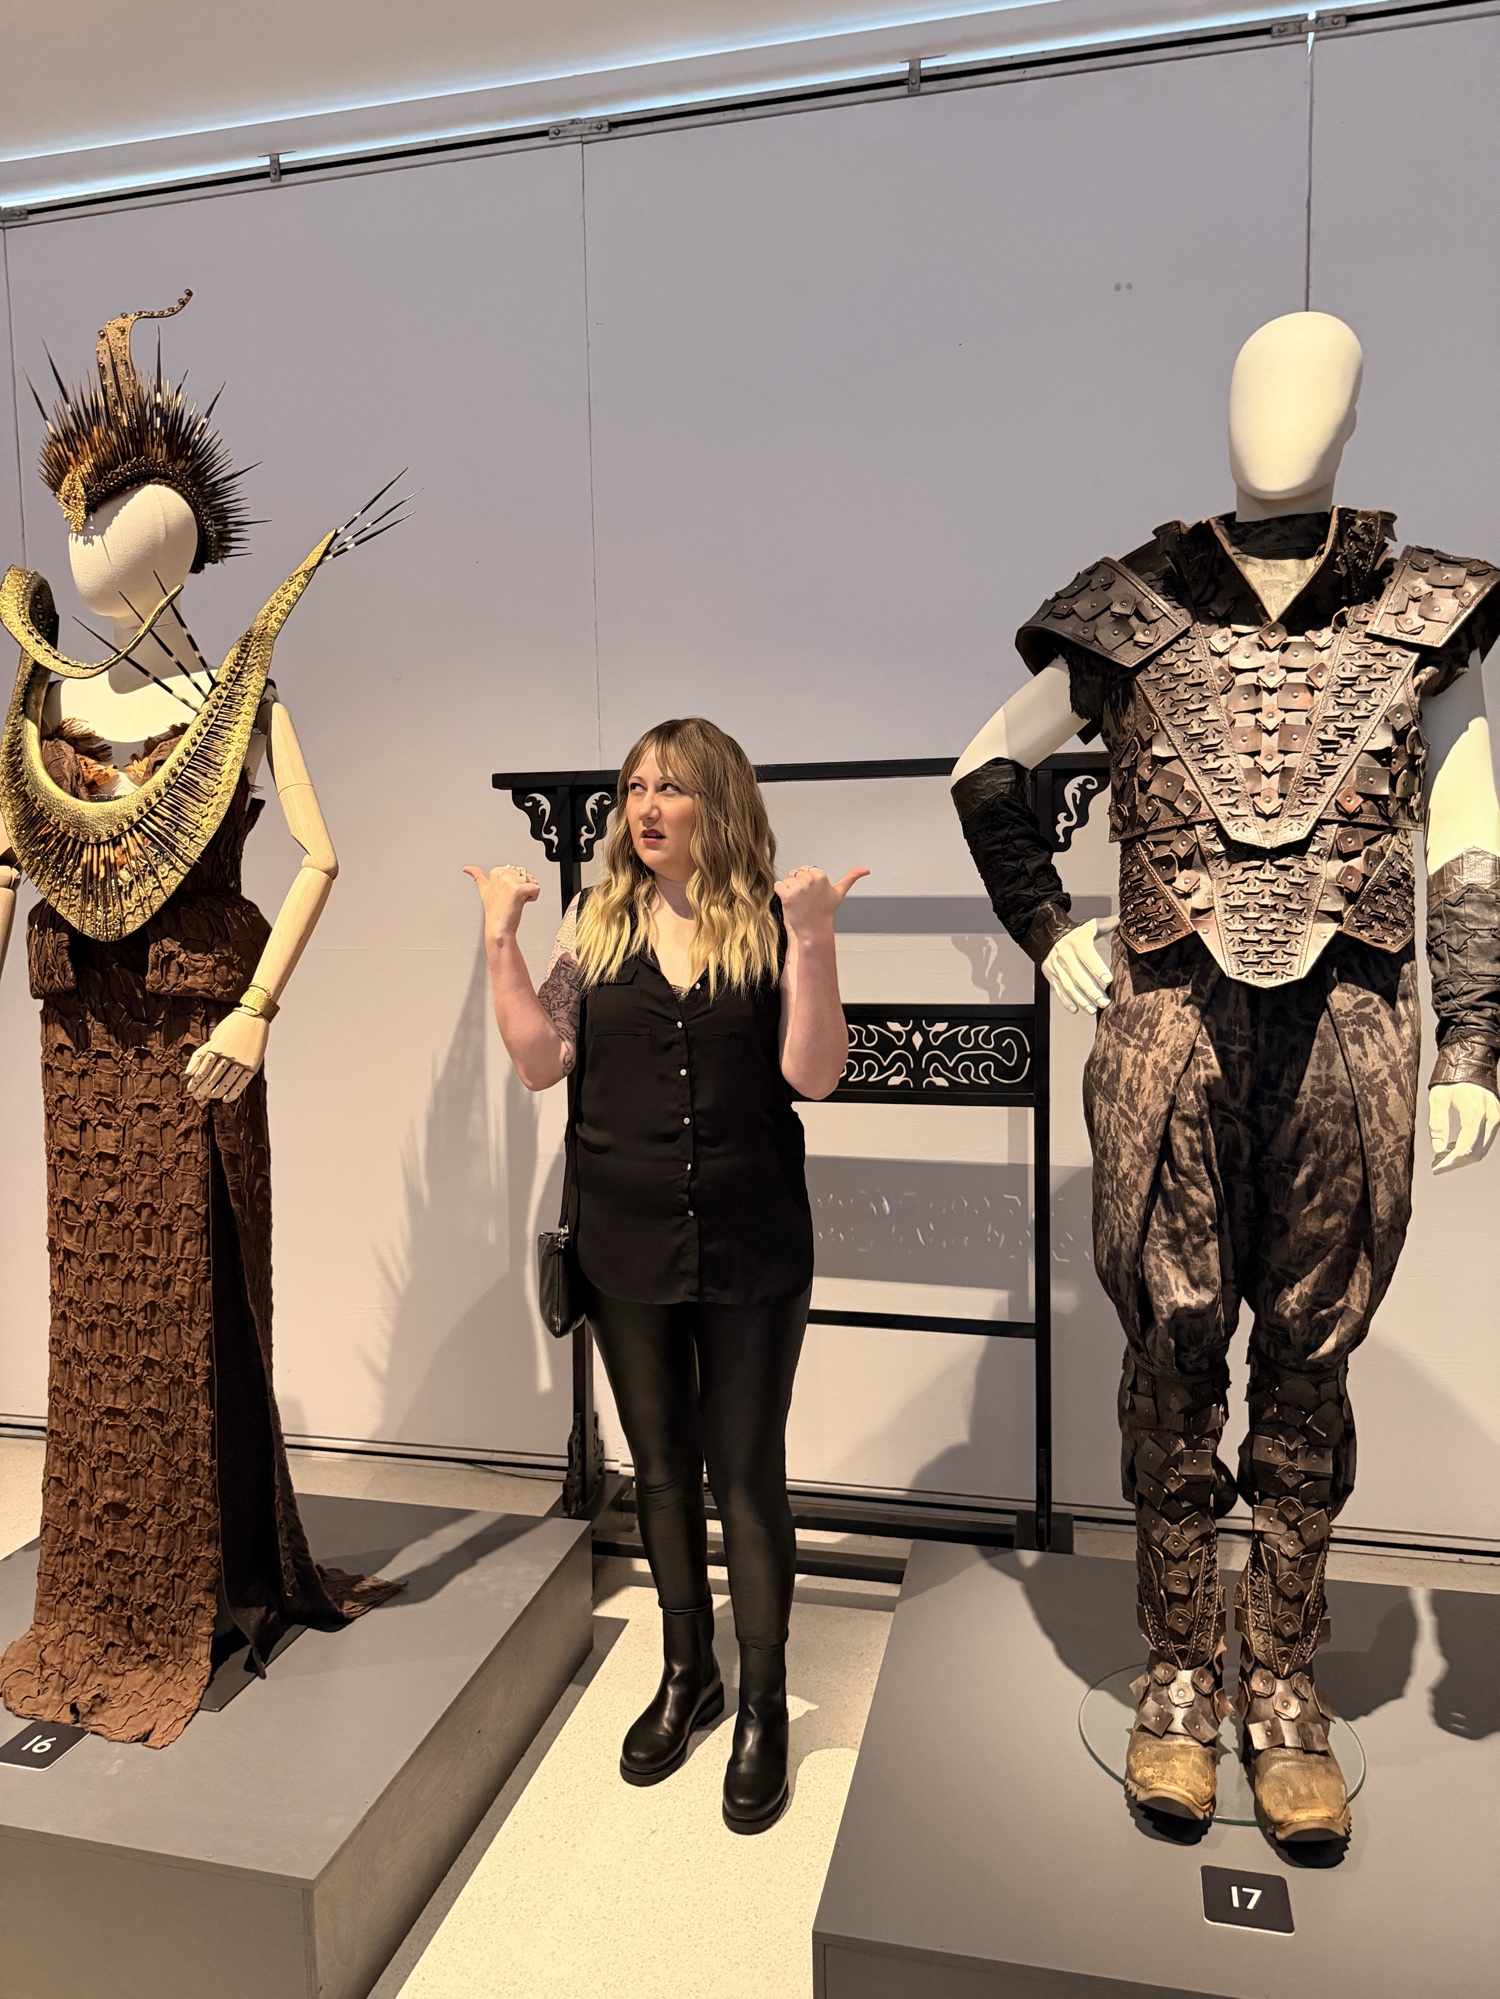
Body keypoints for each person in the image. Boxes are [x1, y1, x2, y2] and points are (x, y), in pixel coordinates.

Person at [951, 313, 1499, 1850]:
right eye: (1262, 380)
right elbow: (984, 769)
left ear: (1354, 412)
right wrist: (1048, 923)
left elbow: (1469, 835)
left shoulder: (1426, 612)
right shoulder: (1131, 611)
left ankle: (1285, 1674)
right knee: (1176, 1353)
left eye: (1315, 387)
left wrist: (1473, 1035)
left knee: (1311, 1358)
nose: (1284, 414)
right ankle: (1181, 1669)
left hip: (1351, 1023)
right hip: (1168, 1022)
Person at [0, 293, 402, 1747]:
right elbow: (11, 864)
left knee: (190, 1295)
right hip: (78, 1043)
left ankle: (202, 1572)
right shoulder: (42, 703)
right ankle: (102, 1582)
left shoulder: (242, 696)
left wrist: (259, 1008)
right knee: (95, 1308)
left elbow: (322, 855)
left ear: (169, 537)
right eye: (83, 524)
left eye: (117, 520)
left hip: (193, 1034)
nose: (93, 547)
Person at [466, 716, 865, 1833]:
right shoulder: (595, 924)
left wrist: (816, 938)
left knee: (746, 1472)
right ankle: (689, 1673)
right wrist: (499, 939)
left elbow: (814, 1075)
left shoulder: (769, 922)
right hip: (626, 1244)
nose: (646, 806)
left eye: (672, 787)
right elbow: (542, 1060)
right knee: (658, 1470)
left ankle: (764, 1703)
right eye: (635, 786)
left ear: (717, 802)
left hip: (751, 1244)